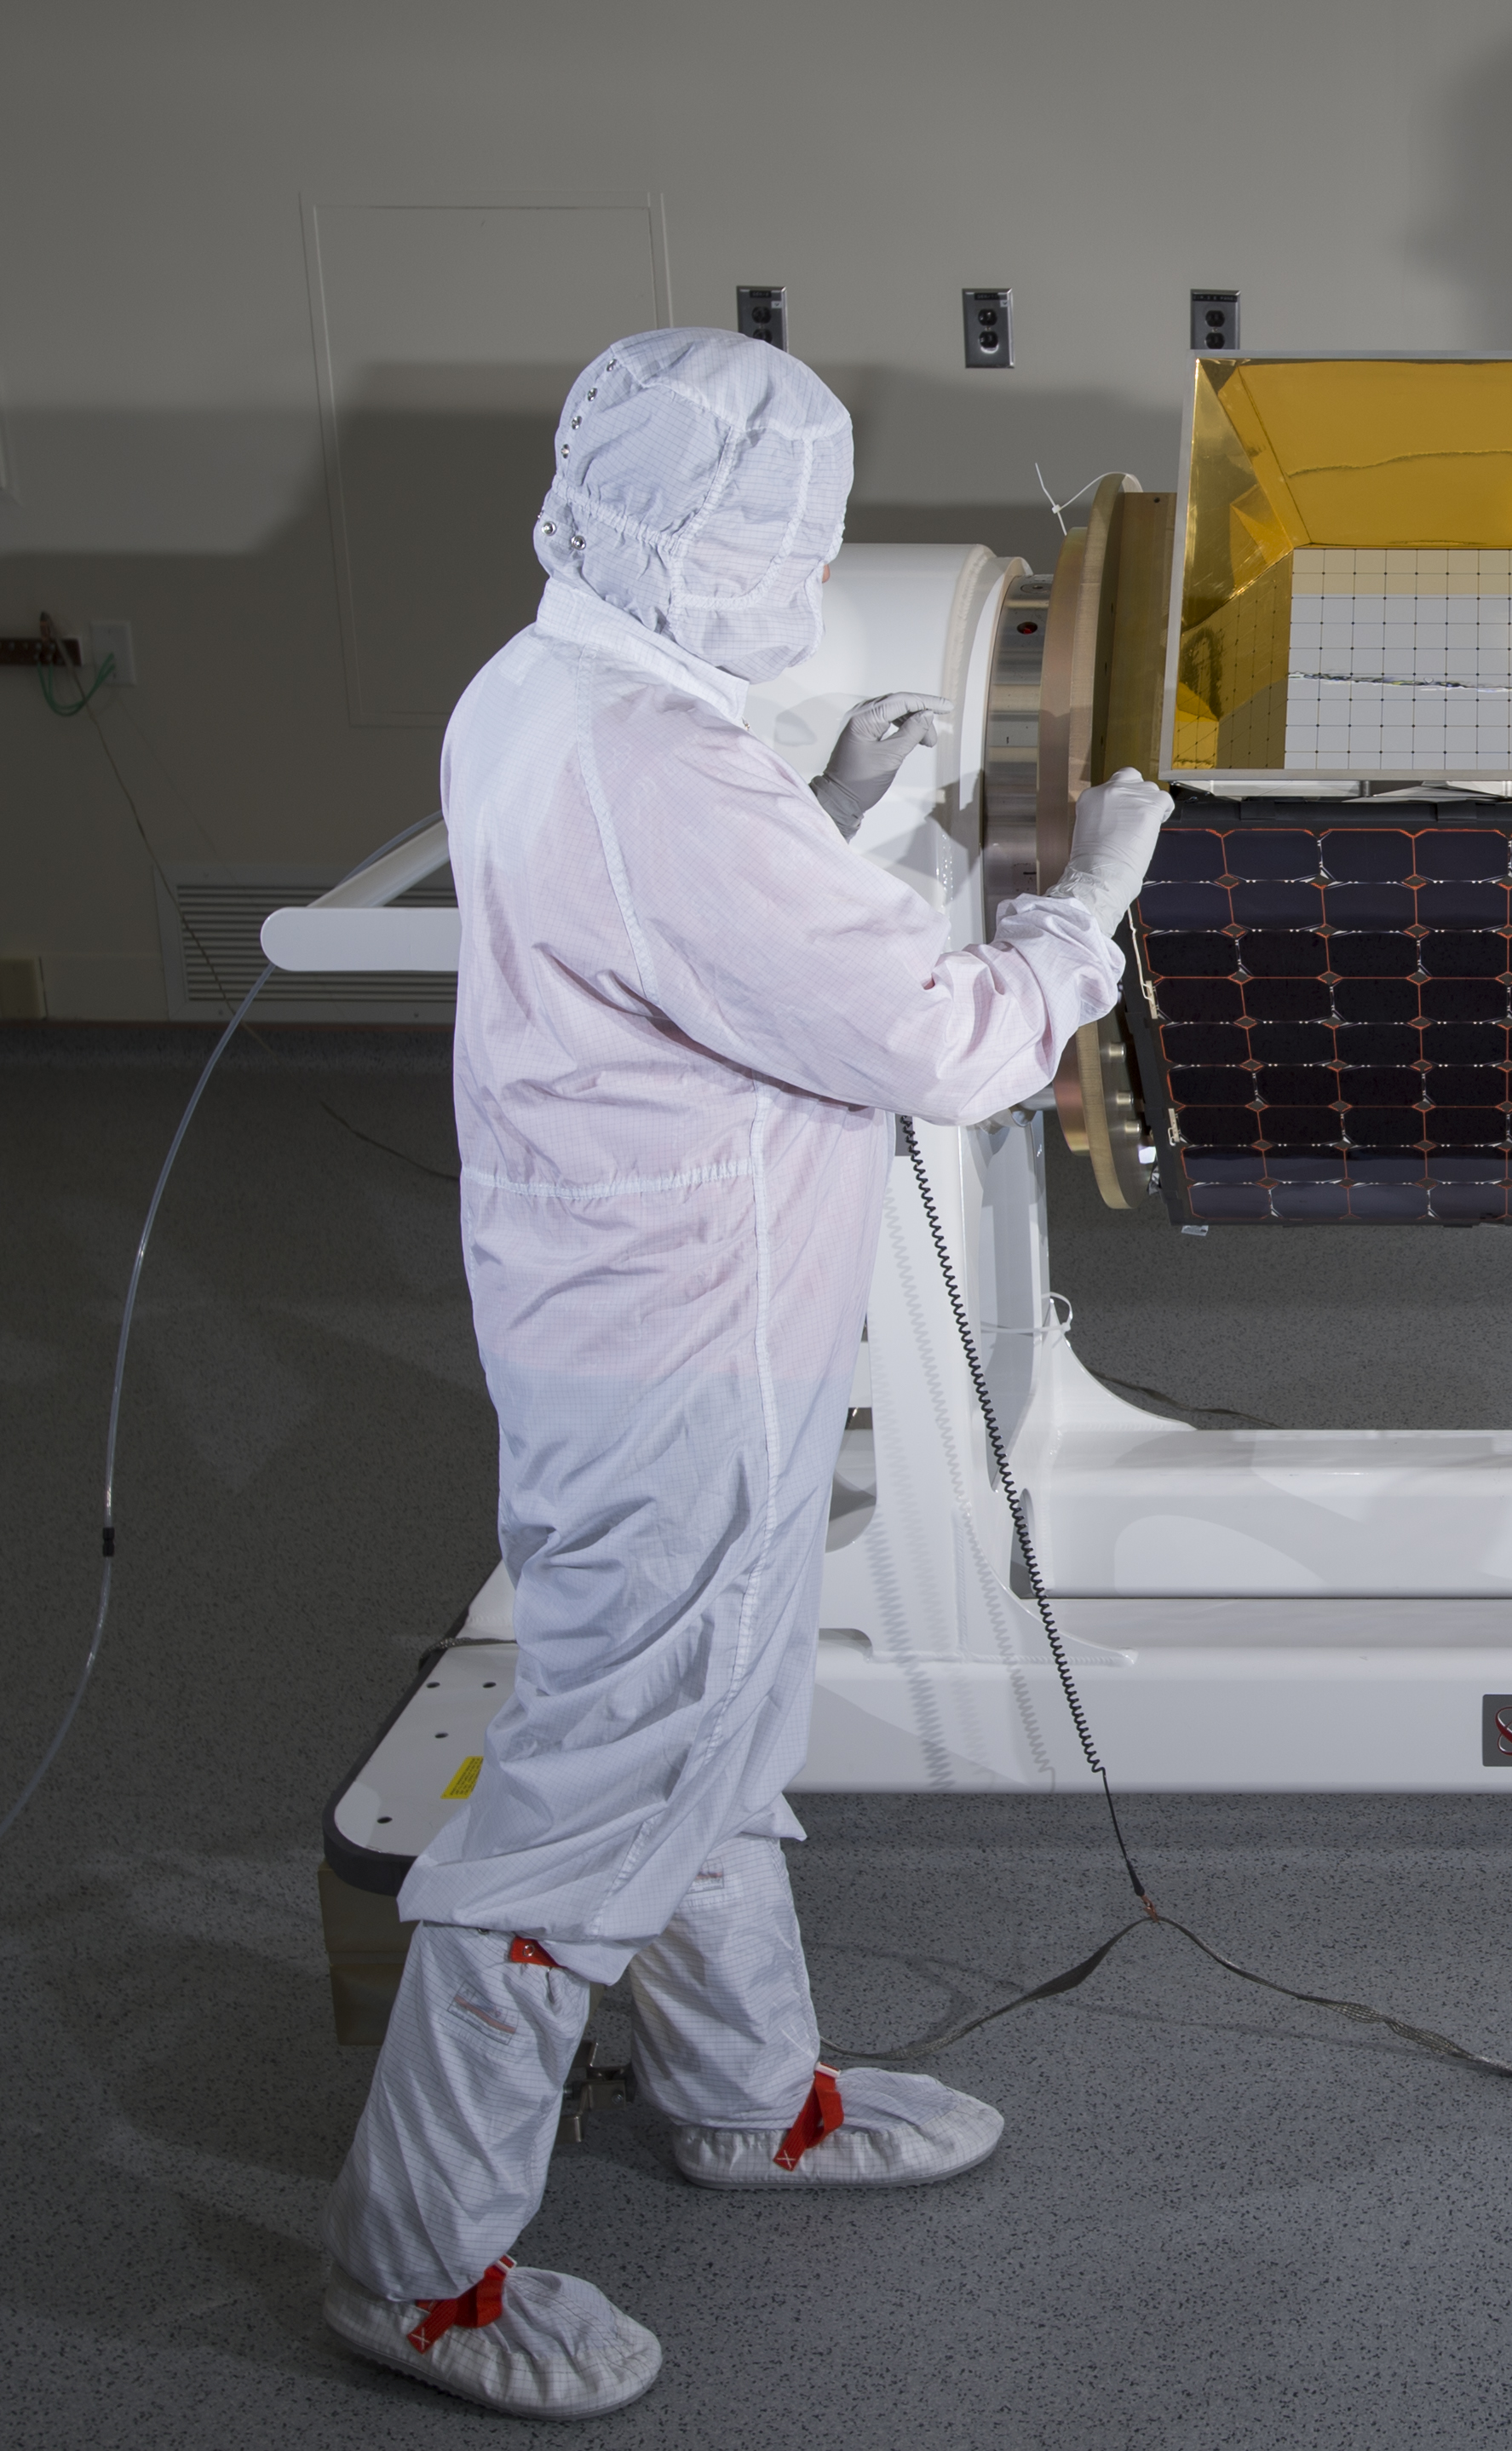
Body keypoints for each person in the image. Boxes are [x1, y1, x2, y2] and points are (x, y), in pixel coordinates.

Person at [317, 329, 1175, 2418]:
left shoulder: (543, 684)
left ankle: (743, 2092)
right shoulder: (654, 766)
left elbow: (685, 926)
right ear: (702, 548)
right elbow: (946, 1042)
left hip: (647, 1298)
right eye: (780, 546)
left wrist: (841, 810)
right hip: (681, 1332)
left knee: (710, 1714)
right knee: (598, 1786)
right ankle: (417, 2264)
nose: (797, 585)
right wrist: (1088, 913)